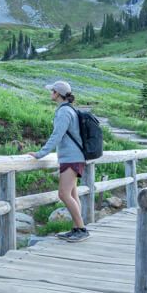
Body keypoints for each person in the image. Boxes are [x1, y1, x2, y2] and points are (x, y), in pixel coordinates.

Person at [30, 80, 89, 242]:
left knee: (63, 194)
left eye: (52, 91)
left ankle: (82, 229)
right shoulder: (69, 110)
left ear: (57, 93)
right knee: (72, 193)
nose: (50, 94)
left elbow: (57, 135)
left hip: (71, 158)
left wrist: (40, 154)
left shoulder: (63, 112)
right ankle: (77, 228)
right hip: (75, 157)